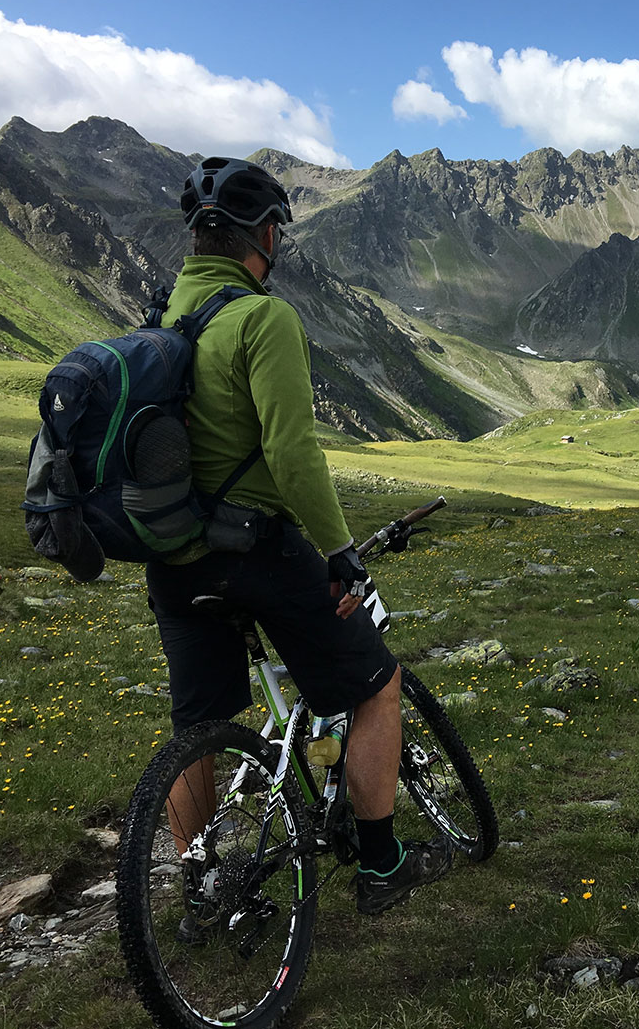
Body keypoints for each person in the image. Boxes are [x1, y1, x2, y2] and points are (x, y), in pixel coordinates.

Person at [146, 156, 451, 923]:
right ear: (263, 234)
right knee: (375, 688)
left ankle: (200, 893)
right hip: (254, 551)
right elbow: (291, 453)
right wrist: (341, 550)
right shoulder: (262, 318)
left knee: (201, 730)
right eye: (276, 228)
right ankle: (383, 865)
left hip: (172, 560)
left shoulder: (161, 321)